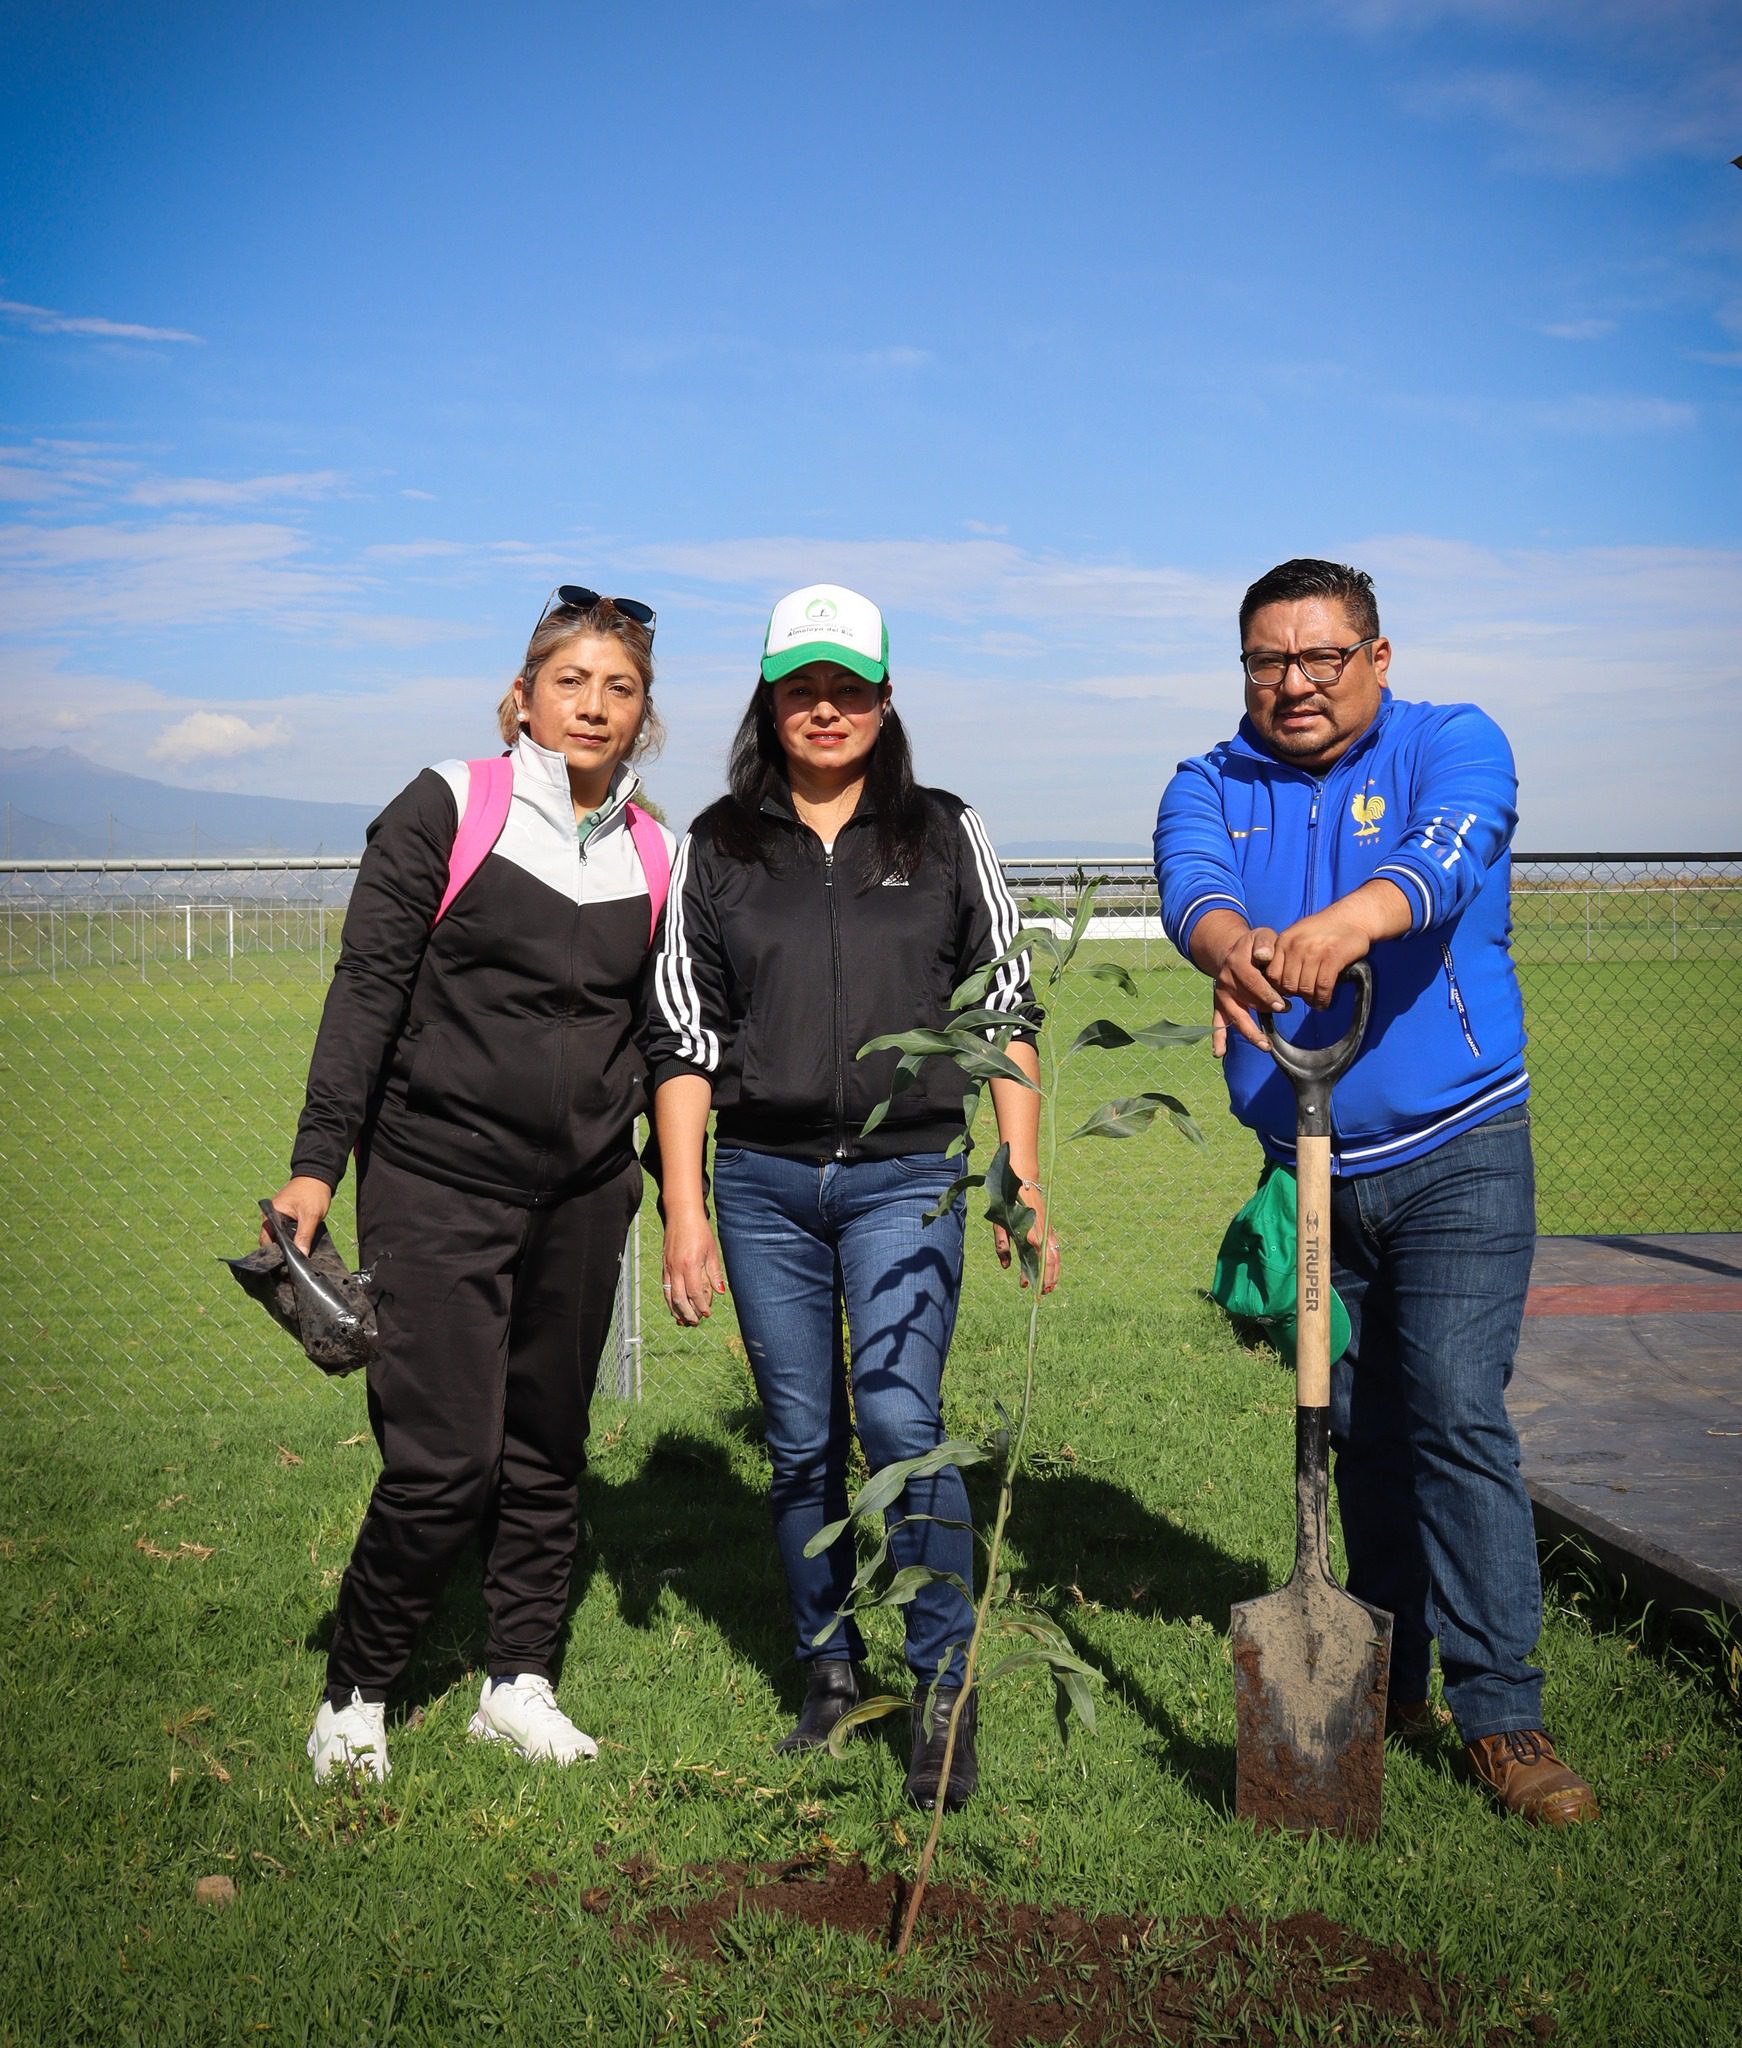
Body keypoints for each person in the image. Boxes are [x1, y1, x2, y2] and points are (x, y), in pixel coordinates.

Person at [1154, 557, 1598, 1827]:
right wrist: (1230, 941)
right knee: (1356, 1424)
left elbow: (1452, 852)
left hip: (1457, 1148)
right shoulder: (1208, 781)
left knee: (1453, 1406)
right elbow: (1192, 881)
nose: (1289, 683)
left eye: (1318, 658)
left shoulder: (1449, 741)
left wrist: (1351, 919)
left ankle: (1501, 1711)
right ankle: (1387, 1675)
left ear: (1377, 657)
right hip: (1307, 1164)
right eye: (1263, 661)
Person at [646, 583, 1057, 1812]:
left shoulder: (942, 832)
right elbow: (682, 1037)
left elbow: (1003, 1004)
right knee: (799, 1441)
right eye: (799, 687)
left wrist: (1017, 1175)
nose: (822, 708)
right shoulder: (713, 846)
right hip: (764, 1186)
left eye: (847, 687)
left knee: (897, 1416)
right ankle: (826, 1669)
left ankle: (941, 1688)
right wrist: (685, 1209)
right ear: (767, 700)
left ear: (884, 699)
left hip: (906, 1177)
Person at [268, 587, 676, 1783]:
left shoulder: (657, 847)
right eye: (572, 680)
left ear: (644, 714)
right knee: (446, 1457)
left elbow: (661, 1038)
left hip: (586, 1194)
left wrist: (681, 1192)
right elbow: (366, 991)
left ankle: (516, 1681)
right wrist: (313, 1166)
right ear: (523, 693)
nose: (594, 704)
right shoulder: (450, 803)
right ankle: (356, 1691)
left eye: (621, 687)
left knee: (547, 1444)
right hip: (436, 1179)